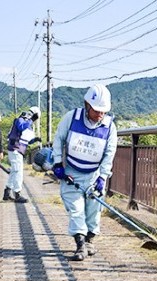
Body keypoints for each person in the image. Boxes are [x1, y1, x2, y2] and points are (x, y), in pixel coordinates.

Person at [51, 84, 117, 261]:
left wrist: (103, 176)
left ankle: (89, 240)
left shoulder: (109, 127)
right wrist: (57, 163)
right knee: (76, 210)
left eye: (103, 111)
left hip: (94, 175)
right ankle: (80, 244)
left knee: (93, 211)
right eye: (96, 110)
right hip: (71, 174)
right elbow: (58, 140)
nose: (99, 114)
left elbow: (109, 153)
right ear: (87, 105)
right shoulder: (72, 117)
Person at [3, 106, 41, 203]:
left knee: (14, 171)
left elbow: (26, 140)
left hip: (18, 150)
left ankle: (7, 192)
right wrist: (31, 120)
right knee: (18, 172)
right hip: (15, 149)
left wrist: (35, 140)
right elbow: (21, 127)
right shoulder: (20, 120)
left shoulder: (27, 124)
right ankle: (17, 194)